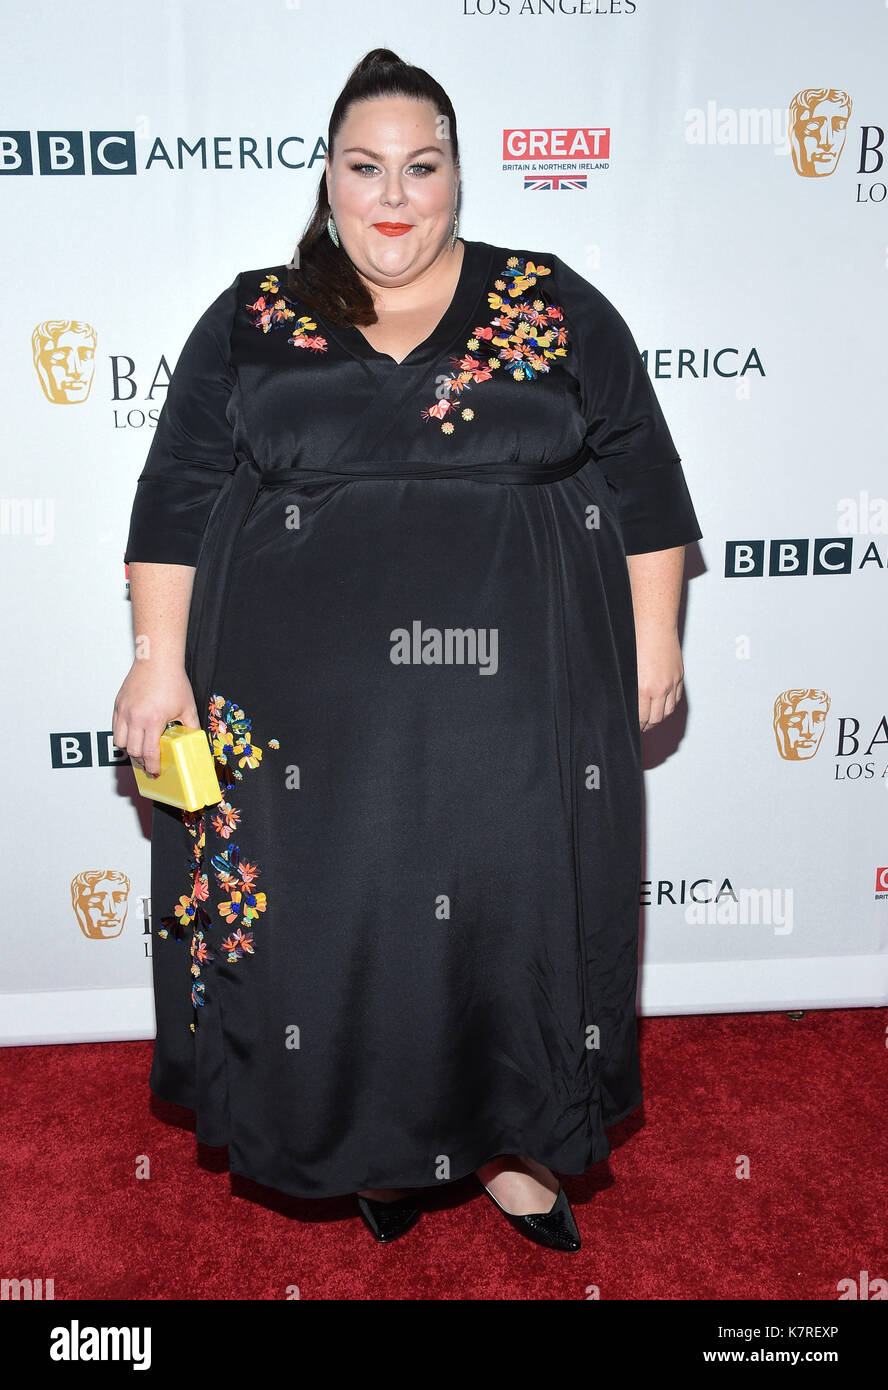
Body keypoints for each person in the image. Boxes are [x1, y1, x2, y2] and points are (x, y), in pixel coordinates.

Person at [113, 47, 703, 1254]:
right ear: (326, 177)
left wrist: (655, 644)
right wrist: (155, 660)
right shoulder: (253, 316)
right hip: (303, 725)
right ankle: (374, 1142)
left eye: (420, 166)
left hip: (516, 706)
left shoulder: (553, 299)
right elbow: (175, 497)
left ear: (458, 176)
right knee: (346, 927)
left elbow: (644, 478)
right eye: (365, 165)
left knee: (507, 919)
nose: (393, 194)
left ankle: (510, 1151)